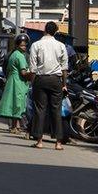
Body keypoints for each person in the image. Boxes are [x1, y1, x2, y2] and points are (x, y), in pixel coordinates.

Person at [28, 21, 68, 150]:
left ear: (45, 30)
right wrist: (64, 84)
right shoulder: (61, 45)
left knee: (40, 110)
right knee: (56, 110)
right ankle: (58, 143)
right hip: (56, 80)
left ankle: (39, 141)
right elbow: (64, 68)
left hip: (40, 79)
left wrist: (32, 82)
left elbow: (33, 67)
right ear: (56, 31)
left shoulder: (36, 45)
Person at [0, 33, 32, 134]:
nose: (24, 47)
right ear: (17, 45)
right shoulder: (20, 56)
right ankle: (14, 127)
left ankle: (14, 126)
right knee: (18, 104)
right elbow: (23, 72)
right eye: (22, 45)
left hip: (12, 80)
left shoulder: (12, 54)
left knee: (14, 103)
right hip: (19, 82)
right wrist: (33, 74)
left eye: (25, 45)